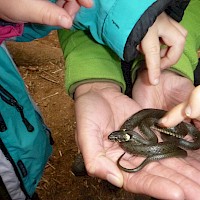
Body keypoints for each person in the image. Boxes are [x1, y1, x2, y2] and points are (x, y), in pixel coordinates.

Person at [58, 0, 200, 199]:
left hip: (163, 62)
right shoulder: (142, 130)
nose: (116, 137)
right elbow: (76, 14)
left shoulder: (148, 133)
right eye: (119, 137)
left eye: (118, 137)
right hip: (123, 69)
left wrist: (165, 64)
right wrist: (95, 84)